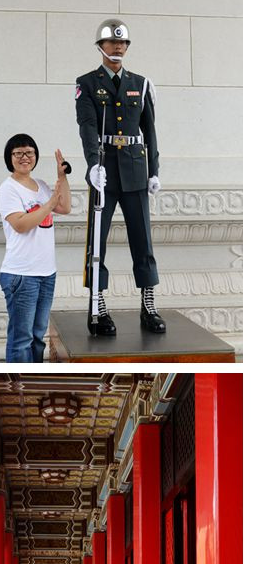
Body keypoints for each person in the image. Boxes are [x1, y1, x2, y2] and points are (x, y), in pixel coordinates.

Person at [76, 19, 164, 336]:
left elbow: (150, 131)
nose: (118, 47)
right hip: (105, 171)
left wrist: (154, 170)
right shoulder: (86, 83)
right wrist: (91, 164)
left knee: (143, 240)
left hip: (135, 170)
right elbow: (87, 126)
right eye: (112, 43)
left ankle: (149, 304)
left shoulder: (140, 84)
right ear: (100, 46)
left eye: (123, 43)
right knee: (96, 242)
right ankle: (97, 304)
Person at [0, 135, 71, 362]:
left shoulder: (41, 185)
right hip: (21, 274)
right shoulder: (8, 189)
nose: (24, 157)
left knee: (38, 336)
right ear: (10, 158)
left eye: (29, 153)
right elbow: (20, 224)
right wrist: (48, 204)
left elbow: (65, 207)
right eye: (18, 153)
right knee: (22, 339)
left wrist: (62, 177)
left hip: (46, 272)